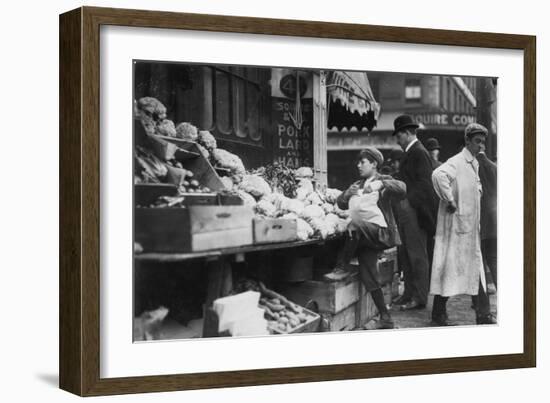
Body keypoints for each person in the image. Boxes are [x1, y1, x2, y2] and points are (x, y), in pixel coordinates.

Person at [430, 123, 495, 326]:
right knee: (451, 271)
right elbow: (438, 175)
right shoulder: (457, 161)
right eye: (477, 141)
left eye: (483, 142)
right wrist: (449, 200)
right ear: (467, 141)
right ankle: (440, 314)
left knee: (473, 271)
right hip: (458, 229)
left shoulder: (474, 164)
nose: (480, 146)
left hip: (470, 229)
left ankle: (481, 314)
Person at [334, 147, 406, 329]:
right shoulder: (357, 184)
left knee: (353, 224)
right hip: (364, 237)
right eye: (358, 162)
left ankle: (342, 264)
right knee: (369, 276)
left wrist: (381, 185)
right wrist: (346, 194)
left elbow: (403, 188)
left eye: (362, 162)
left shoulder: (383, 180)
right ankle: (386, 317)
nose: (358, 165)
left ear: (374, 164)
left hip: (380, 232)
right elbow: (341, 203)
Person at [391, 115, 439, 311]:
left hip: (415, 213)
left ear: (409, 133)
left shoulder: (419, 153)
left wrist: (409, 202)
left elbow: (424, 185)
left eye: (399, 135)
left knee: (417, 255)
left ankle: (419, 297)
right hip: (407, 211)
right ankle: (409, 294)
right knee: (406, 255)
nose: (397, 140)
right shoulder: (412, 153)